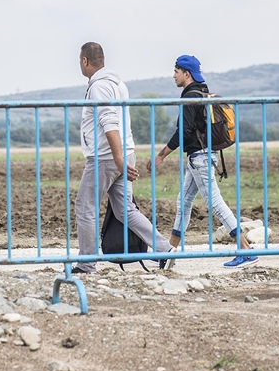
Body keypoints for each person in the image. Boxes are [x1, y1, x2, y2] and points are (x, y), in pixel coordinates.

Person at [147, 54, 258, 269]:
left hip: (200, 158)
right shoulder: (202, 92)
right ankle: (169, 254)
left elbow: (184, 131)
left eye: (176, 71)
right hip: (200, 157)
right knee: (184, 203)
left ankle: (245, 250)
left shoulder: (190, 96)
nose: (173, 76)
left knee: (215, 203)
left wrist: (161, 154)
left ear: (186, 73)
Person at [72, 42, 173, 273]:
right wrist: (122, 159)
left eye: (80, 61)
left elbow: (110, 123)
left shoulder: (99, 88)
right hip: (125, 153)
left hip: (106, 157)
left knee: (85, 207)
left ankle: (86, 264)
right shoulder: (119, 85)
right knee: (125, 210)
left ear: (85, 61)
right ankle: (164, 250)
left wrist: (117, 159)